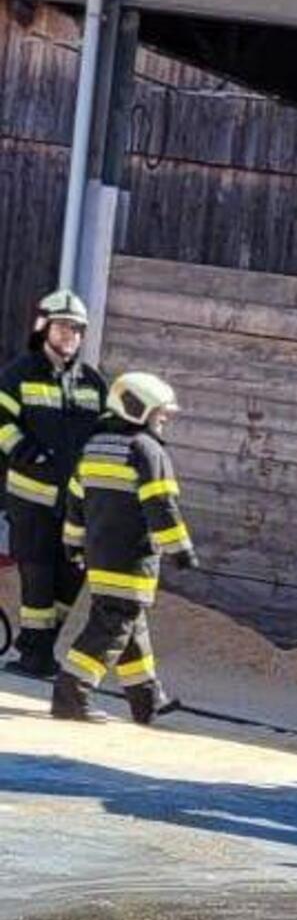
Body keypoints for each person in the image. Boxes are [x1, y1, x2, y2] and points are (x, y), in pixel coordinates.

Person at [52, 372, 196, 724]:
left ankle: (146, 700)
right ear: (138, 408)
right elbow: (160, 504)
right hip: (131, 560)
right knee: (112, 627)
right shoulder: (146, 451)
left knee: (130, 626)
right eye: (159, 412)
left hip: (99, 555)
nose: (163, 419)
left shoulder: (95, 446)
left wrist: (72, 543)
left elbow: (75, 500)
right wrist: (181, 549)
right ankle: (70, 696)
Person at [1, 290, 107, 678]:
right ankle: (33, 654)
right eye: (63, 326)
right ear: (44, 326)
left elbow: (108, 432)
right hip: (31, 498)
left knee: (71, 575)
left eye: (77, 329)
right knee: (37, 572)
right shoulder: (20, 373)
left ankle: (42, 650)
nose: (70, 335)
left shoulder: (92, 383)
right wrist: (22, 450)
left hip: (77, 502)